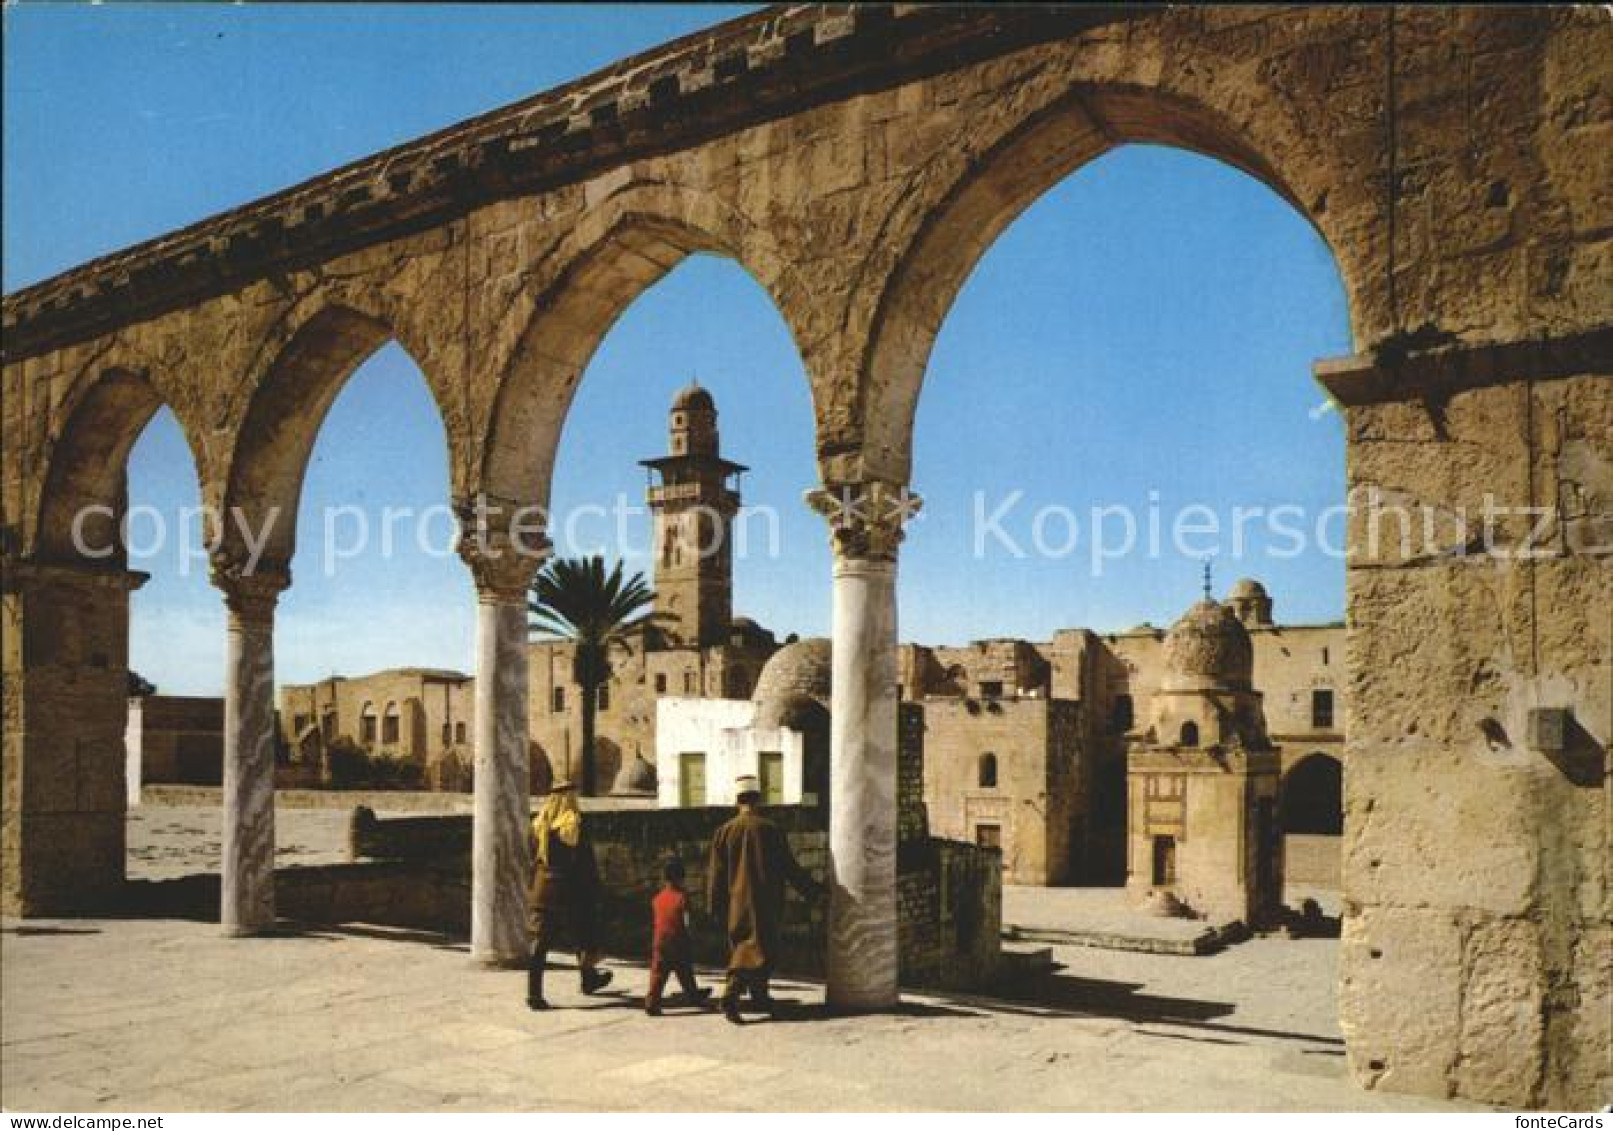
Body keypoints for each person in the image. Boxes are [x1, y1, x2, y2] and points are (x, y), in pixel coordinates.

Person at [707, 773, 824, 1024]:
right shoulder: (771, 830)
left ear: (737, 800)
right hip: (766, 901)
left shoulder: (723, 832)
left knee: (743, 946)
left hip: (736, 903)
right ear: (757, 800)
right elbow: (789, 867)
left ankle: (760, 996)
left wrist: (713, 907)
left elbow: (715, 876)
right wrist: (813, 891)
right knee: (760, 948)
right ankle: (732, 990)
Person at [526, 780, 612, 1009]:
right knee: (583, 934)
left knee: (542, 941)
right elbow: (585, 862)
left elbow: (532, 859)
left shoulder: (539, 825)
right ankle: (588, 978)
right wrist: (594, 887)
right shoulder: (573, 825)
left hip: (542, 890)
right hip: (570, 891)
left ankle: (535, 993)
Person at [644, 855, 712, 1016]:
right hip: (678, 940)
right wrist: (693, 935)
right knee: (684, 970)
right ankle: (693, 995)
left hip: (660, 940)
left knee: (658, 972)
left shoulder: (657, 898)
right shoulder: (683, 897)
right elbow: (687, 921)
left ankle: (652, 1002)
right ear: (681, 878)